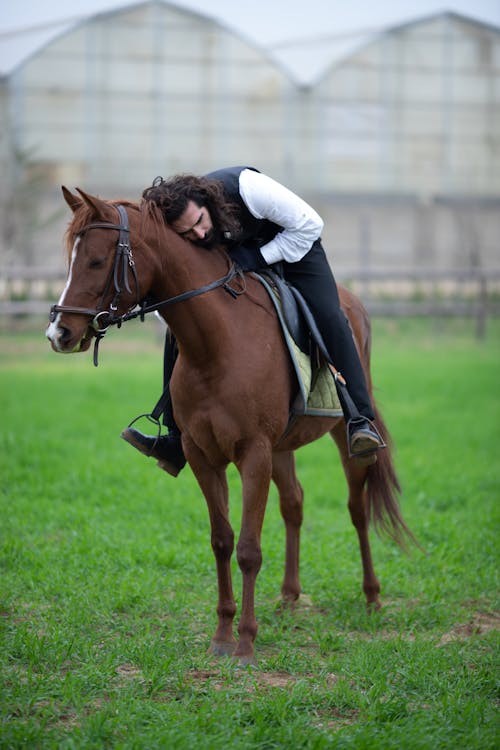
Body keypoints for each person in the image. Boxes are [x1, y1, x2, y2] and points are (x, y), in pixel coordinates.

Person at [121, 166, 383, 475]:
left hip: (297, 253)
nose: (201, 235)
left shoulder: (248, 187)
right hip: (238, 263)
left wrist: (258, 258)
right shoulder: (193, 225)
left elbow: (310, 224)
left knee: (330, 317)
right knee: (180, 329)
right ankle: (174, 436)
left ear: (205, 201)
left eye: (200, 223)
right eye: (189, 234)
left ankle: (360, 421)